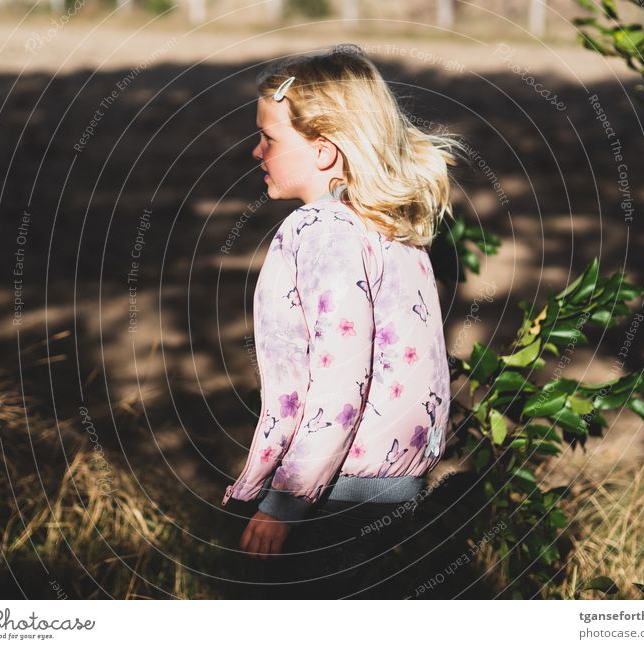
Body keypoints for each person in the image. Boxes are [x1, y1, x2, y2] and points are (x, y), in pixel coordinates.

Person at [221, 44, 468, 599]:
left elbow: (340, 380)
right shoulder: (386, 222)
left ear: (325, 150)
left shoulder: (323, 229)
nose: (256, 151)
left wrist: (285, 501)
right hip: (391, 479)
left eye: (270, 138)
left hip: (337, 487)